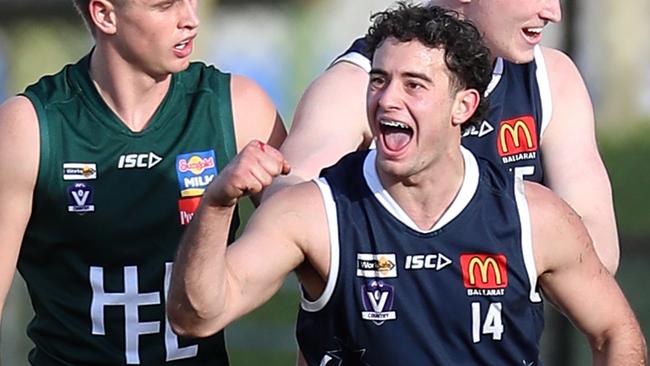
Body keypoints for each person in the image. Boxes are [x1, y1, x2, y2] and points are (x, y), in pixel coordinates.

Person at [167, 4, 646, 365]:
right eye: (380, 81)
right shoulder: (327, 176)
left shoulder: (531, 202)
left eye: (415, 85)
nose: (553, 11)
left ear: (465, 105)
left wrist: (487, 242)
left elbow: (598, 278)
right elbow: (293, 219)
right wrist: (218, 203)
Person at [0, 0, 286, 364]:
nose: (191, 20)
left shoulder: (236, 107)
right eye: (165, 6)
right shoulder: (29, 128)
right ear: (105, 15)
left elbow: (307, 240)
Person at [274, 0, 620, 275]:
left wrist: (479, 270)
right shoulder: (361, 83)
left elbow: (599, 255)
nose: (553, 12)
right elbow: (286, 205)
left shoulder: (552, 79)